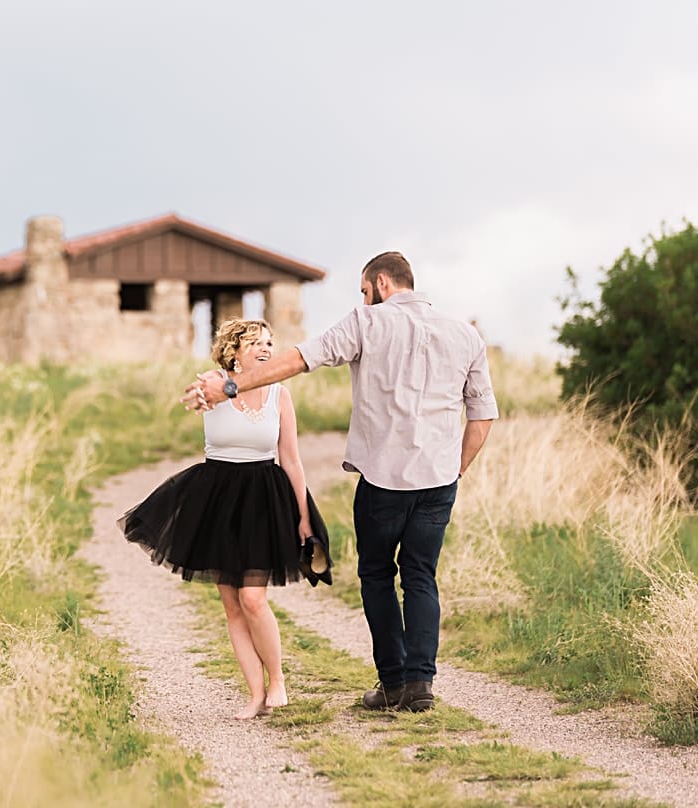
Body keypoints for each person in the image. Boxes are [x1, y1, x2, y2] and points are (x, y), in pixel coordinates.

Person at [183, 252, 498, 713]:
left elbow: (298, 360)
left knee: (376, 575)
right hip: (438, 482)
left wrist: (231, 387)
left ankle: (393, 685)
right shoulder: (466, 335)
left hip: (384, 483)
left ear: (382, 283)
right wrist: (457, 469)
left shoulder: (366, 324)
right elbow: (483, 414)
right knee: (420, 576)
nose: (364, 300)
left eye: (365, 291)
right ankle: (420, 685)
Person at [119, 318, 332, 720]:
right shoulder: (212, 383)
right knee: (232, 604)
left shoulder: (280, 396)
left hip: (262, 499)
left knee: (253, 598)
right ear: (233, 351)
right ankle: (254, 694)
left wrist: (304, 517)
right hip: (216, 498)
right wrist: (201, 396)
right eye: (255, 343)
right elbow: (200, 397)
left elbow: (292, 459)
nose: (266, 348)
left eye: (270, 342)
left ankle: (278, 680)